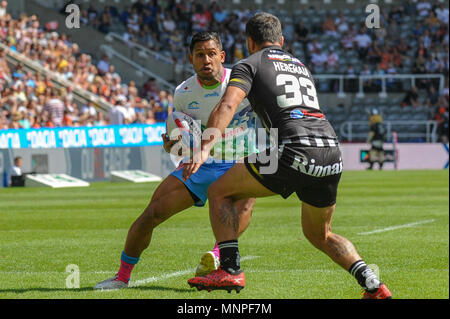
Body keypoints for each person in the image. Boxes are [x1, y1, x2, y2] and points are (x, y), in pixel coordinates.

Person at [183, 13, 392, 299]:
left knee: (219, 191)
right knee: (321, 234)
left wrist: (205, 146)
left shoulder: (249, 64)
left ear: (249, 42)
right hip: (331, 150)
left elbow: (227, 105)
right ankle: (372, 284)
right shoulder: (300, 66)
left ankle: (230, 270)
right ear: (281, 41)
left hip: (295, 148)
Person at [94, 32, 257, 290]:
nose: (206, 60)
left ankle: (216, 256)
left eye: (212, 53)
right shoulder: (183, 92)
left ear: (222, 56)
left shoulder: (242, 81)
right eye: (200, 54)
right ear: (190, 59)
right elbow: (181, 135)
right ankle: (122, 277)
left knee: (245, 206)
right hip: (200, 164)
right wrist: (173, 144)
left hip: (239, 162)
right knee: (151, 215)